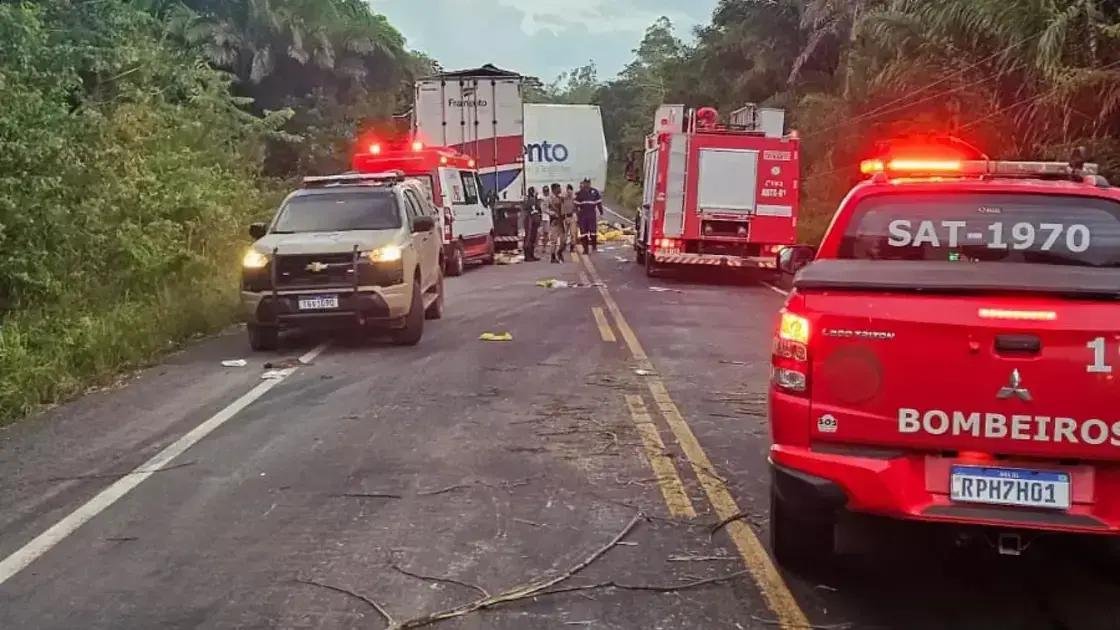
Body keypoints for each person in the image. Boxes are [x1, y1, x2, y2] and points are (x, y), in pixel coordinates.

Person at [575, 178, 604, 253]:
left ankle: (594, 246)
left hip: (591, 214)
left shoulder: (594, 191)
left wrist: (601, 212)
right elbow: (576, 206)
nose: (587, 184)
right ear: (584, 183)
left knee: (593, 231)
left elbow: (599, 203)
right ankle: (585, 249)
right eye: (586, 183)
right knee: (583, 233)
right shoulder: (579, 193)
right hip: (583, 215)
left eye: (588, 183)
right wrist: (577, 215)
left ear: (590, 183)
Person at [547, 182, 567, 263]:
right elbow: (544, 208)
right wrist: (552, 213)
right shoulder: (550, 199)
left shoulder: (561, 198)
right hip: (554, 222)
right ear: (554, 189)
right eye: (558, 188)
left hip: (561, 221)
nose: (560, 190)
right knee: (554, 240)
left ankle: (560, 252)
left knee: (564, 240)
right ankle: (553, 256)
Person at [522, 187, 541, 261]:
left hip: (534, 221)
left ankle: (531, 255)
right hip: (529, 220)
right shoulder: (529, 200)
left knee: (533, 237)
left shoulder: (534, 200)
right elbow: (528, 209)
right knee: (529, 237)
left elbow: (538, 209)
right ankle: (527, 256)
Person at [562, 184, 578, 253]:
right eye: (567, 190)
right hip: (566, 217)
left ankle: (572, 246)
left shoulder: (574, 199)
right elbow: (562, 208)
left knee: (572, 233)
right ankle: (563, 246)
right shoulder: (564, 198)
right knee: (565, 233)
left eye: (570, 190)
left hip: (572, 216)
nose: (568, 192)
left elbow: (577, 208)